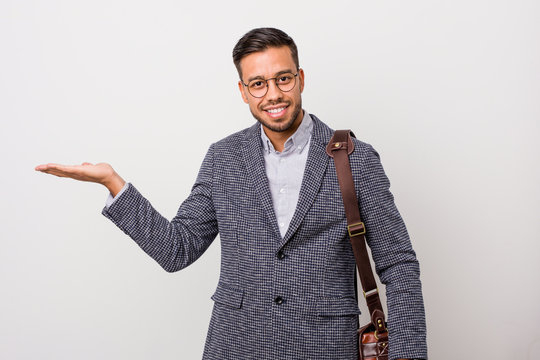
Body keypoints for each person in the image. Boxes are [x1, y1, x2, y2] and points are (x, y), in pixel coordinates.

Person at [35, 27, 427, 360]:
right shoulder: (223, 158)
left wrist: (408, 354)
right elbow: (177, 249)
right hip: (236, 344)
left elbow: (399, 263)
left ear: (301, 79)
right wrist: (114, 184)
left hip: (323, 346)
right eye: (258, 83)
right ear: (243, 91)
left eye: (283, 79)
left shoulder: (355, 159)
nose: (272, 93)